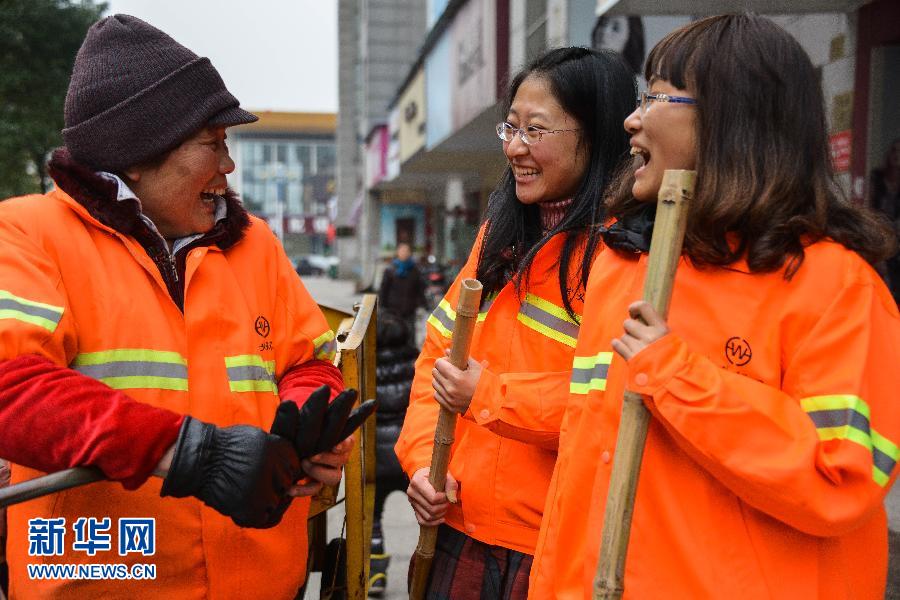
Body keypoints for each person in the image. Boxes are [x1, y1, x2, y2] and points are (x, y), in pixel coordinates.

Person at [529, 15, 900, 598]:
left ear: (734, 119)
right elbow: (585, 467)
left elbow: (840, 479)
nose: (632, 119)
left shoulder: (836, 286)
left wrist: (676, 376)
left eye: (655, 96)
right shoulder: (626, 263)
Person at [0, 14, 353, 598]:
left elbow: (311, 362)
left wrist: (310, 429)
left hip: (261, 579)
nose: (228, 167)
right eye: (212, 144)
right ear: (135, 154)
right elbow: (12, 388)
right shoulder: (27, 234)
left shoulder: (256, 243)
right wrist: (192, 453)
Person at [395, 47, 635, 598]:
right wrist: (422, 464)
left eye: (536, 130)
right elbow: (436, 358)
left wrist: (490, 394)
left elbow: (618, 405)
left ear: (595, 136)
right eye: (511, 127)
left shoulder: (625, 256)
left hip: (556, 548)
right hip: (458, 531)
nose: (513, 148)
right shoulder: (499, 237)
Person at [368, 311, 418, 597]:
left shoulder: (364, 367)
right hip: (408, 456)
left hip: (376, 461)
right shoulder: (416, 363)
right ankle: (424, 574)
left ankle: (375, 574)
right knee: (426, 518)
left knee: (372, 518)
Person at [870, 138, 900, 303]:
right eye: (894, 151)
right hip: (879, 234)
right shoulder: (877, 178)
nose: (897, 155)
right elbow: (868, 207)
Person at [378, 242, 428, 339]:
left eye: (406, 251)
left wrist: (423, 305)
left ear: (410, 253)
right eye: (402, 251)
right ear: (398, 252)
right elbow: (384, 289)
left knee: (410, 335)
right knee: (394, 335)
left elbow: (420, 289)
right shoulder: (390, 270)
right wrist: (382, 307)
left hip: (409, 310)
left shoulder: (415, 270)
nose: (404, 253)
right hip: (392, 310)